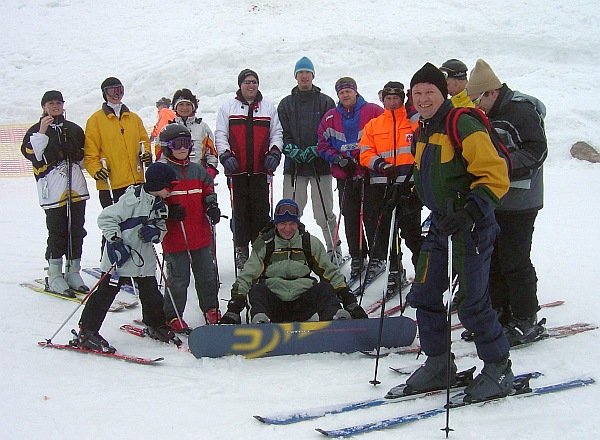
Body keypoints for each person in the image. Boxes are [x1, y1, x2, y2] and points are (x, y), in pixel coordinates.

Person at [396, 62, 512, 403]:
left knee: (472, 304)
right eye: (416, 93)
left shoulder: (462, 121)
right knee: (425, 294)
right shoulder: (424, 127)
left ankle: (498, 366)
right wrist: (409, 193)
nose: (422, 98)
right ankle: (438, 363)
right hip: (441, 225)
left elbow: (495, 174)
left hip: (471, 227)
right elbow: (432, 173)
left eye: (429, 91)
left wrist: (470, 211)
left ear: (442, 92)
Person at [466, 58, 548, 345]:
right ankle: (498, 315)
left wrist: (498, 166)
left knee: (515, 261)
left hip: (521, 199)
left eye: (478, 99)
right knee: (493, 261)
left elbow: (537, 152)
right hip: (495, 198)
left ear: (491, 92)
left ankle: (526, 319)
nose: (477, 106)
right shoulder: (488, 113)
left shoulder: (521, 111)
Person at [74, 163, 183, 352]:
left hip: (143, 258)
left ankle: (155, 324)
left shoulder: (159, 204)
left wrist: (155, 232)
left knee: (151, 293)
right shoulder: (131, 200)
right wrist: (115, 241)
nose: (171, 191)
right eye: (169, 187)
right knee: (106, 292)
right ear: (158, 185)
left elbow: (161, 227)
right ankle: (87, 330)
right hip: (121, 257)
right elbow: (106, 218)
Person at [219, 199, 368, 324]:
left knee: (324, 288)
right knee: (257, 290)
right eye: (283, 224)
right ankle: (260, 323)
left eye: (292, 223)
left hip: (302, 303)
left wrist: (350, 301)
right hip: (274, 305)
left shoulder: (309, 242)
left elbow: (330, 272)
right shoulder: (264, 244)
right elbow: (248, 276)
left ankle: (336, 322)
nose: (287, 228)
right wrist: (234, 307)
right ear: (276, 224)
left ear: (297, 223)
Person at [21, 90, 90, 295]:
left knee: (76, 228)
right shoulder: (36, 129)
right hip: (52, 188)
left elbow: (85, 156)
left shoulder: (73, 128)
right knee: (57, 230)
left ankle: (73, 269)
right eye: (51, 103)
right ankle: (54, 273)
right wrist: (42, 134)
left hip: (76, 186)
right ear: (44, 106)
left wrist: (77, 154)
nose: (55, 106)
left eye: (58, 103)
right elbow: (32, 155)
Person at [215, 68, 283, 271]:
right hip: (237, 171)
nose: (251, 85)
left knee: (261, 212)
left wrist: (274, 153)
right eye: (247, 82)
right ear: (240, 85)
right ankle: (241, 250)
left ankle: (260, 250)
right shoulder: (228, 107)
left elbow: (276, 133)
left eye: (254, 82)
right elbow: (220, 134)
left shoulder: (268, 108)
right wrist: (225, 155)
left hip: (261, 170)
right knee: (240, 213)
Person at [317, 77, 383, 283]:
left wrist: (370, 159)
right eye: (341, 92)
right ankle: (357, 255)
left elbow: (384, 137)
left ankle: (377, 256)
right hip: (345, 175)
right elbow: (322, 144)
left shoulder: (373, 111)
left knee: (372, 216)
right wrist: (338, 159)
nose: (345, 95)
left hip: (369, 174)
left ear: (355, 91)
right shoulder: (330, 117)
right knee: (350, 217)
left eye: (348, 91)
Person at [158, 124, 222, 331]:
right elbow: (154, 202)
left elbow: (208, 192)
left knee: (206, 275)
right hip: (176, 237)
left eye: (186, 143)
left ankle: (210, 308)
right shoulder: (163, 173)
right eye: (177, 144)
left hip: (200, 234)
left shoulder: (198, 170)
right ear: (167, 147)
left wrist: (212, 205)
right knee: (178, 278)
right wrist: (168, 212)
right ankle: (173, 314)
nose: (182, 148)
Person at [359, 82, 423, 289]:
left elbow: (424, 137)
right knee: (388, 232)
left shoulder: (412, 121)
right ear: (383, 100)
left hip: (408, 186)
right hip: (382, 186)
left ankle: (423, 272)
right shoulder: (374, 125)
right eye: (388, 98)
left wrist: (412, 111)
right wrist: (381, 165)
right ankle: (396, 270)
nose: (392, 102)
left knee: (411, 232)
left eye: (396, 98)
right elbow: (365, 153)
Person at [277, 56, 339, 264]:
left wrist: (318, 147)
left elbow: (330, 129)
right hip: (294, 166)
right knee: (291, 210)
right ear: (296, 76)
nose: (304, 76)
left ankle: (333, 248)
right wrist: (289, 148)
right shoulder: (286, 103)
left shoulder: (325, 101)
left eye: (307, 72)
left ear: (313, 75)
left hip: (319, 164)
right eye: (300, 72)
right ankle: (289, 248)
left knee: (324, 212)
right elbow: (281, 131)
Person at [84, 77, 152, 208]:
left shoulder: (134, 118)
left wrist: (146, 154)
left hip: (136, 182)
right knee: (117, 225)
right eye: (111, 91)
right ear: (104, 94)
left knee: (139, 224)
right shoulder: (95, 120)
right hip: (112, 185)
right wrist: (97, 171)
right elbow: (90, 153)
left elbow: (144, 142)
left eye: (119, 90)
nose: (116, 94)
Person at [158, 88, 219, 179]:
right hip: (174, 178)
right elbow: (160, 156)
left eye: (188, 104)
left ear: (193, 107)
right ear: (175, 107)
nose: (184, 108)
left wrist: (211, 169)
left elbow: (211, 153)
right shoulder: (167, 129)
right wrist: (165, 174)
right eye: (181, 105)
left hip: (199, 176)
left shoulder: (203, 127)